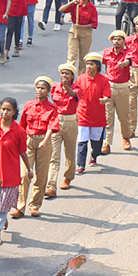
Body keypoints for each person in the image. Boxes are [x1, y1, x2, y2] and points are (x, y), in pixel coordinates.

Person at [0, 98, 29, 246]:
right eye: (3, 109)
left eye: (8, 110)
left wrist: (29, 169)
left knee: (3, 206)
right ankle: (2, 217)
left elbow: (23, 152)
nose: (5, 112)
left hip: (10, 175)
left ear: (14, 112)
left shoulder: (19, 131)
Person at [15, 77, 60, 218]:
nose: (39, 90)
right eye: (38, 88)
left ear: (48, 91)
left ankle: (34, 205)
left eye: (43, 88)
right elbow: (22, 126)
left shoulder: (52, 108)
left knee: (41, 175)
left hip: (43, 142)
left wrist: (45, 141)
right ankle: (20, 207)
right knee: (24, 175)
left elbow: (52, 127)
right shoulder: (29, 106)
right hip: (29, 141)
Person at [74, 54, 113, 174]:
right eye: (87, 64)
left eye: (91, 64)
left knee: (97, 142)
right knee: (82, 141)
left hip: (97, 117)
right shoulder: (80, 78)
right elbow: (76, 92)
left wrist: (105, 99)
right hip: (83, 115)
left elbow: (107, 94)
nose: (89, 67)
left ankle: (94, 156)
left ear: (97, 65)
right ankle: (80, 165)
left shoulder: (104, 80)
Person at [102, 31, 134, 151]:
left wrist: (124, 63)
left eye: (119, 39)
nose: (117, 41)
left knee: (123, 116)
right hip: (109, 87)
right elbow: (105, 66)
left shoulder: (127, 52)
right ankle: (107, 142)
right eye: (115, 39)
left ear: (123, 41)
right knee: (107, 116)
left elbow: (129, 61)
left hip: (123, 88)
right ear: (112, 41)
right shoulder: (106, 52)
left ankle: (126, 137)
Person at [49, 64, 79, 192]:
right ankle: (51, 184)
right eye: (62, 73)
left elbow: (74, 95)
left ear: (72, 76)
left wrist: (67, 86)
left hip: (71, 121)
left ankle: (68, 177)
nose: (64, 76)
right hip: (56, 121)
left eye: (67, 74)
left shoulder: (76, 87)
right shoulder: (55, 87)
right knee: (54, 155)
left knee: (70, 152)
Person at [60, 0, 99, 68]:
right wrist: (71, 2)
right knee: (71, 57)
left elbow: (94, 24)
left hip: (86, 34)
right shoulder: (76, 4)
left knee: (83, 59)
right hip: (74, 32)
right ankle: (69, 77)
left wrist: (81, 26)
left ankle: (81, 78)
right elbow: (61, 10)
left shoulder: (92, 8)